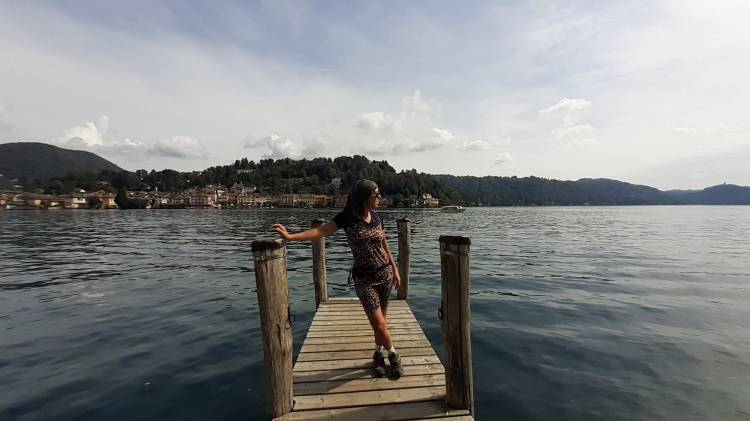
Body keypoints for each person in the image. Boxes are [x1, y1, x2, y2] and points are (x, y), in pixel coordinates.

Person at [271, 179, 404, 378]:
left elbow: (384, 243)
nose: (380, 197)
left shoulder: (377, 217)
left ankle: (378, 354)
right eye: (376, 194)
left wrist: (395, 269)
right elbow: (319, 231)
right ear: (364, 197)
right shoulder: (348, 218)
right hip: (364, 279)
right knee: (379, 324)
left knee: (381, 323)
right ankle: (394, 355)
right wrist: (290, 237)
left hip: (384, 274)